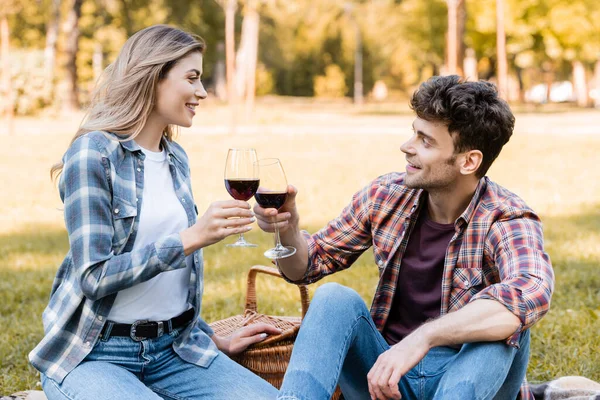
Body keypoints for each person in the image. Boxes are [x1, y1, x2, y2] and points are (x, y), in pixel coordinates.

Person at [255, 76, 555, 400]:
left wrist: (422, 338)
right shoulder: (387, 195)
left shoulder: (506, 216)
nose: (407, 146)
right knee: (333, 299)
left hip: (464, 378)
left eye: (425, 141)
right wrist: (286, 227)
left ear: (469, 161)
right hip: (388, 377)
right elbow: (305, 266)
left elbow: (532, 291)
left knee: (504, 323)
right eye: (414, 133)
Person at [29, 25, 280, 400]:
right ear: (152, 77)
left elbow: (169, 287)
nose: (203, 92)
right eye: (192, 78)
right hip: (95, 354)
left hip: (174, 351)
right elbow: (93, 276)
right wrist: (191, 238)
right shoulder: (93, 155)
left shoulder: (176, 158)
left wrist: (215, 341)